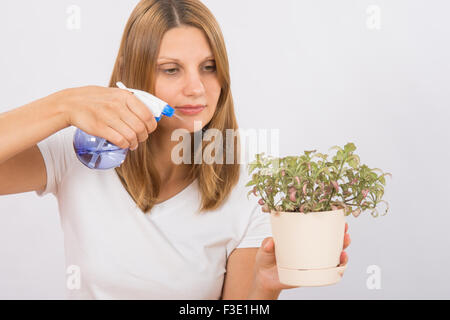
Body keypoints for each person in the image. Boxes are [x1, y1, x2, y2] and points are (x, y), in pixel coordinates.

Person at [0, 0, 350, 299]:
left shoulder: (252, 187)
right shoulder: (81, 152)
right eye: (171, 70)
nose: (196, 88)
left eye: (208, 68)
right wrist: (63, 106)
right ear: (132, 73)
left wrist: (265, 289)